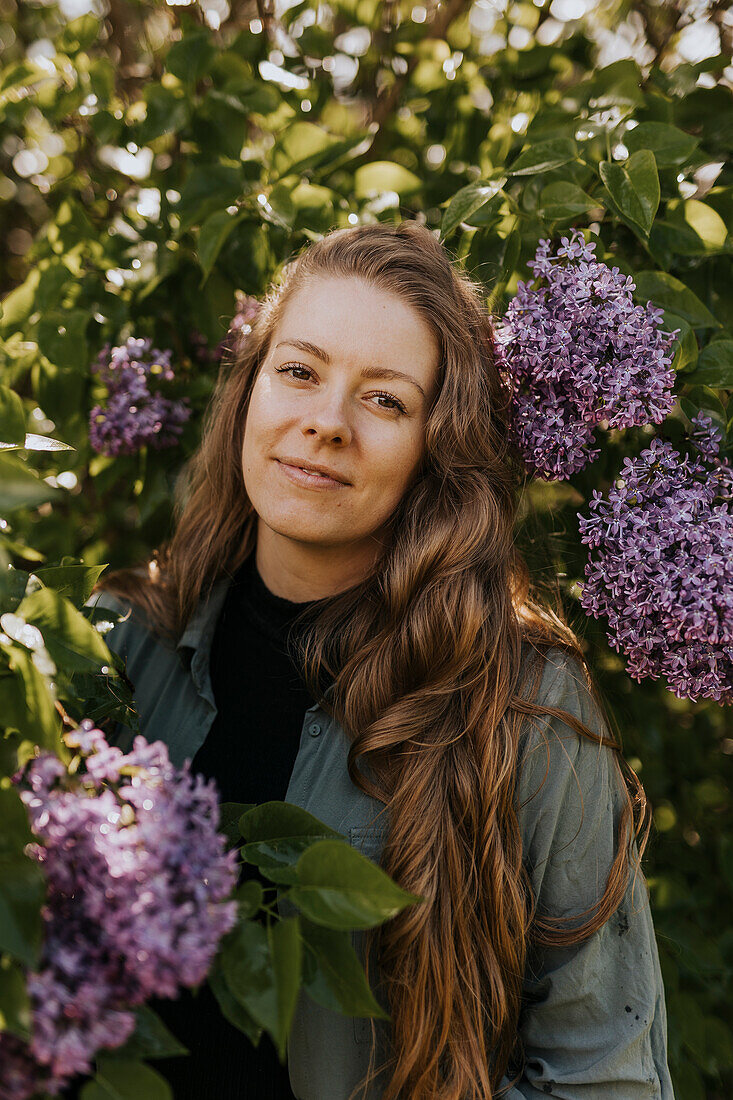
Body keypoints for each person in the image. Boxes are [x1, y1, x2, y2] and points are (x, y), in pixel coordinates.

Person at [82, 220, 674, 1100]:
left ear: (437, 447)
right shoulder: (119, 642)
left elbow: (605, 1076)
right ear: (250, 390)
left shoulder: (518, 705)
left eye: (384, 400)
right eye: (299, 371)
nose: (324, 423)